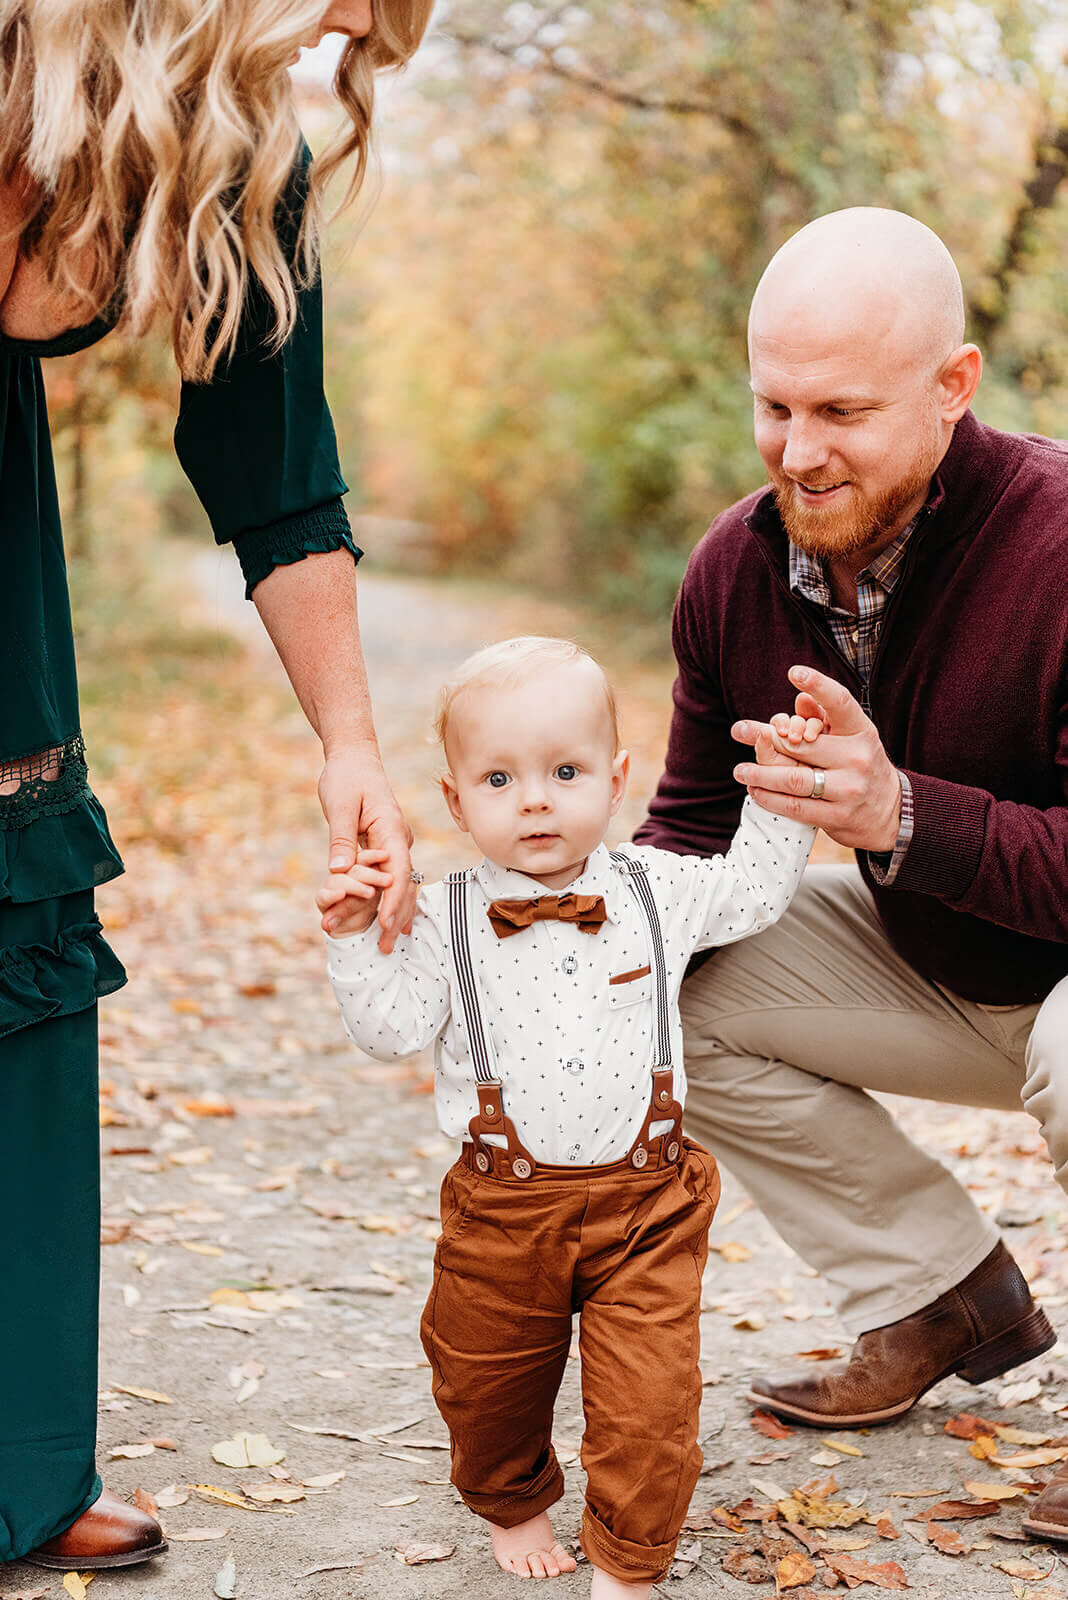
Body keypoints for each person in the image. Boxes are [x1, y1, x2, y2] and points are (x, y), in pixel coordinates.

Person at [0, 0, 431, 1570]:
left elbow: (274, 460)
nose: (332, 29)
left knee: (16, 919)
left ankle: (16, 1466)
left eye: (364, 23)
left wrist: (352, 747)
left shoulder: (248, 155)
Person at [636, 207, 1068, 1533]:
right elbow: (694, 830)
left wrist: (900, 812)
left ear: (954, 387)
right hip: (941, 961)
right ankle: (941, 1296)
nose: (799, 452)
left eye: (841, 410)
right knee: (667, 991)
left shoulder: (1058, 541)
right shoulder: (736, 569)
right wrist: (582, 938)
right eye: (775, 406)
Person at [318, 635, 814, 1595]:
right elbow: (390, 1030)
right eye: (499, 778)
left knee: (652, 1400)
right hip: (504, 1215)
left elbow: (754, 891)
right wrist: (353, 942)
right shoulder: (443, 915)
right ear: (456, 801)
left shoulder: (657, 889)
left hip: (649, 1207)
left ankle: (629, 1558)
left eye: (565, 771)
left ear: (617, 778)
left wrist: (779, 786)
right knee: (485, 1380)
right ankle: (513, 1499)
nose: (535, 798)